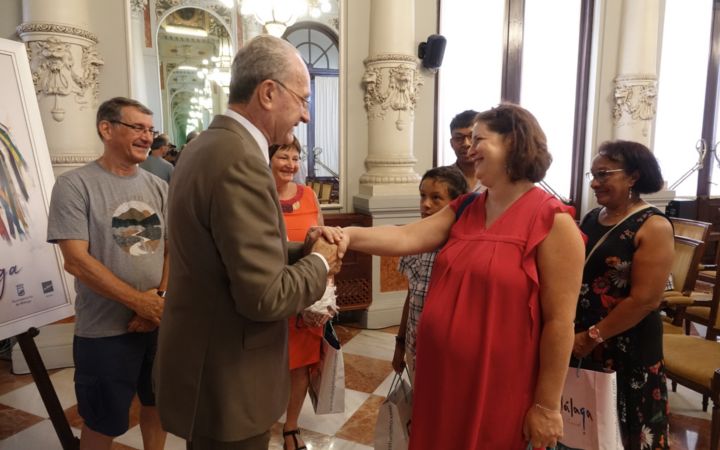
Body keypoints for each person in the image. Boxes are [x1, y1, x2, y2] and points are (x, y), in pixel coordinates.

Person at [333, 103, 585, 448]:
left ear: (513, 141)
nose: (469, 148)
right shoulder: (467, 207)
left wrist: (546, 406)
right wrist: (347, 235)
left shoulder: (554, 222)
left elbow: (560, 323)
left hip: (498, 384)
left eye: (480, 139)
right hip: (441, 376)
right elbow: (406, 237)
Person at [153, 35, 343, 450]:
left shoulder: (205, 146)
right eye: (303, 99)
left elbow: (221, 253)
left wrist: (301, 248)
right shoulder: (242, 161)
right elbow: (266, 298)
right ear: (269, 93)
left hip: (202, 363)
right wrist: (322, 262)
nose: (306, 116)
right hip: (228, 375)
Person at [46, 97, 168, 450]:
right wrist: (140, 304)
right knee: (102, 420)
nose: (147, 137)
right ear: (106, 129)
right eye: (138, 128)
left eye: (150, 129)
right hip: (104, 331)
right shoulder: (74, 186)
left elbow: (173, 250)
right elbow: (76, 261)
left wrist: (158, 301)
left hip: (157, 323)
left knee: (158, 403)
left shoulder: (158, 187)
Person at [572, 140, 674, 449]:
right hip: (585, 344)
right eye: (593, 174)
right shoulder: (593, 217)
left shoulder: (652, 225)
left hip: (627, 348)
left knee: (626, 432)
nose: (594, 182)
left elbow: (645, 300)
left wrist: (592, 336)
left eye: (603, 174)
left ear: (633, 177)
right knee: (587, 429)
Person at [270, 136, 333, 450]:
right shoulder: (256, 196)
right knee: (265, 360)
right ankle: (261, 417)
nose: (291, 165)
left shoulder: (309, 195)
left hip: (307, 294)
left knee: (302, 362)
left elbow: (322, 240)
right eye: (283, 157)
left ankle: (291, 425)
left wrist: (327, 290)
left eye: (295, 158)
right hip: (269, 293)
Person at [393, 166, 468, 381]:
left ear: (456, 203)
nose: (426, 204)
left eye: (436, 198)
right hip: (414, 344)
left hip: (448, 348)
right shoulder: (414, 242)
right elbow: (411, 294)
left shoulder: (462, 247)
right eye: (423, 196)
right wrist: (400, 343)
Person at [448, 109, 482, 191]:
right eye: (459, 138)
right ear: (452, 143)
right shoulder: (442, 179)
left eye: (472, 137)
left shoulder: (498, 178)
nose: (466, 144)